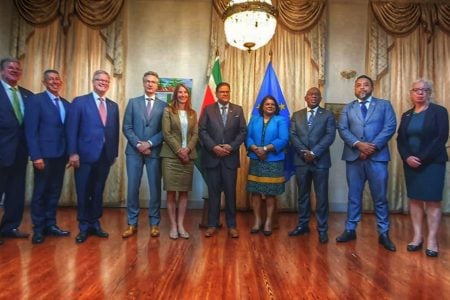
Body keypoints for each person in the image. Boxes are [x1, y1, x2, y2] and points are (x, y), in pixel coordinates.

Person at [336, 75, 397, 252]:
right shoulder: (348, 108)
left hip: (377, 158)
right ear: (355, 88)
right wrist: (358, 145)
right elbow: (343, 129)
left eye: (365, 85)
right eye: (358, 85)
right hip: (354, 157)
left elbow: (390, 127)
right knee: (354, 196)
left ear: (372, 87)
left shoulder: (384, 105)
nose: (362, 88)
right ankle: (350, 229)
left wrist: (372, 147)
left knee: (380, 197)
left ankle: (384, 233)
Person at [397, 79, 448, 257]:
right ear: (411, 93)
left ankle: (432, 240)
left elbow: (441, 137)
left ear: (429, 93)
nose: (420, 93)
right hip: (411, 164)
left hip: (433, 163)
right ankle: (417, 236)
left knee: (433, 200)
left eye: (424, 90)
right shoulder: (407, 115)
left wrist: (421, 158)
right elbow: (400, 140)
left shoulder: (439, 112)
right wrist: (407, 157)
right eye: (417, 90)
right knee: (415, 200)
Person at [66, 70, 119, 243]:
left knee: (98, 192)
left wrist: (114, 154)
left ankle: (95, 224)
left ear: (109, 84)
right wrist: (73, 153)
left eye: (106, 81)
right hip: (84, 156)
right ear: (93, 81)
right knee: (83, 192)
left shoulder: (113, 106)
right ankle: (83, 226)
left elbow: (114, 132)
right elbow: (71, 129)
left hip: (105, 157)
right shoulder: (80, 102)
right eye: (99, 80)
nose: (102, 83)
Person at [24, 69, 71, 244]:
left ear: (61, 82)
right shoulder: (36, 101)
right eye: (50, 79)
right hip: (43, 156)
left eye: (57, 79)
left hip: (61, 156)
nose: (54, 81)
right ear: (44, 82)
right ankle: (38, 228)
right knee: (40, 192)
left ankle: (51, 224)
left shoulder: (66, 104)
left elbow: (68, 131)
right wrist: (36, 156)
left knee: (54, 192)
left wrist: (70, 153)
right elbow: (31, 131)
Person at [122, 71, 167, 238]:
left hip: (154, 152)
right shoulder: (133, 103)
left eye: (153, 82)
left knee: (155, 189)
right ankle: (132, 223)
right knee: (133, 188)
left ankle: (154, 223)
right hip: (133, 152)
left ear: (157, 85)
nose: (150, 84)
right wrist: (139, 144)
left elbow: (165, 131)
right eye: (147, 81)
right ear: (143, 83)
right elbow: (126, 127)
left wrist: (149, 143)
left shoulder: (164, 106)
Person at [288, 87, 336, 243]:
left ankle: (322, 230)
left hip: (320, 161)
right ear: (305, 97)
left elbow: (330, 136)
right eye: (311, 94)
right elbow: (293, 135)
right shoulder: (296, 115)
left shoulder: (328, 115)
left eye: (316, 95)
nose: (313, 97)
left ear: (320, 98)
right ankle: (303, 225)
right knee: (303, 195)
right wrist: (304, 153)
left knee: (321, 197)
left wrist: (314, 153)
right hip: (301, 162)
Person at [199, 82, 246, 238]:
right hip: (212, 157)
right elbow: (202, 131)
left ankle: (232, 225)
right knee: (213, 193)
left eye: (227, 91)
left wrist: (230, 147)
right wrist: (214, 147)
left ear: (229, 93)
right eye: (221, 92)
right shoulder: (208, 109)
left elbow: (242, 132)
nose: (224, 94)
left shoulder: (238, 110)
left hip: (230, 158)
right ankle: (212, 224)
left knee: (230, 193)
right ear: (217, 93)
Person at [0, 57, 33, 241]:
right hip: (1, 151)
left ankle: (10, 227)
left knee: (16, 193)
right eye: (10, 68)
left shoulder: (27, 95)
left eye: (17, 69)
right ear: (2, 71)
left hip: (20, 153)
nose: (14, 70)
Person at [246, 95, 288, 236]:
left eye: (272, 104)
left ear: (276, 107)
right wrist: (255, 148)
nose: (270, 106)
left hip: (273, 161)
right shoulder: (254, 119)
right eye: (267, 104)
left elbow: (283, 139)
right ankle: (257, 221)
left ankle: (269, 222)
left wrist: (264, 149)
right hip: (255, 159)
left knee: (270, 193)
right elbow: (248, 137)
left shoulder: (280, 120)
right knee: (256, 192)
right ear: (262, 106)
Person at [160, 84, 198, 240]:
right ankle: (173, 226)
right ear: (175, 94)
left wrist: (187, 150)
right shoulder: (168, 111)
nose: (183, 95)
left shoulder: (192, 113)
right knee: (170, 192)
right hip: (170, 157)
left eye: (185, 92)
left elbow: (195, 134)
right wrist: (179, 151)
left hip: (188, 157)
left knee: (183, 192)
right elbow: (166, 133)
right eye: (180, 92)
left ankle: (181, 224)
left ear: (188, 95)